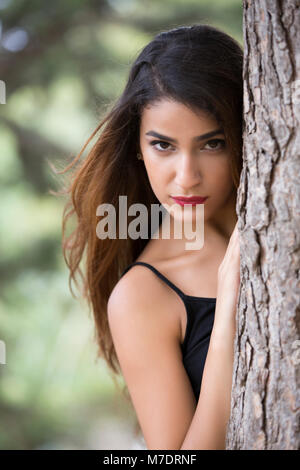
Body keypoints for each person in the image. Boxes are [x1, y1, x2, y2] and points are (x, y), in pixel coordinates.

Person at [60, 23, 243, 450]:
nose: (187, 177)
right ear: (138, 148)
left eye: (212, 143)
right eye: (163, 146)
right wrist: (229, 316)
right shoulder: (143, 297)